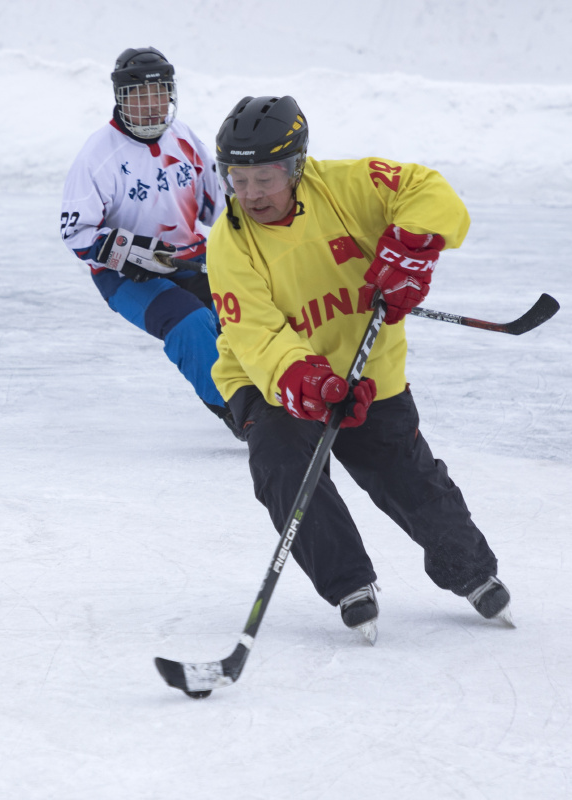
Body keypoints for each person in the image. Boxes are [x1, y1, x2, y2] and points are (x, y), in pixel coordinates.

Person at [206, 94, 512, 643]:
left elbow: (428, 189)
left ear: (296, 166)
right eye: (238, 178)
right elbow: (253, 332)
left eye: (265, 178)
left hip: (369, 368)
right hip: (271, 380)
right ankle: (348, 582)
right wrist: (306, 379)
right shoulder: (229, 242)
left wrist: (413, 248)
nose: (250, 194)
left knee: (406, 475)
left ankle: (471, 571)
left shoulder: (351, 185)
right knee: (282, 463)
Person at [60, 47, 241, 439]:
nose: (150, 106)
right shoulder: (97, 156)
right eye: (138, 96)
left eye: (158, 94)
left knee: (242, 314)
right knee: (191, 323)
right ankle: (244, 413)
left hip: (194, 258)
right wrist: (129, 252)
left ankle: (273, 394)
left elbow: (220, 207)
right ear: (121, 99)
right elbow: (76, 232)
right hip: (125, 277)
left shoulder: (185, 139)